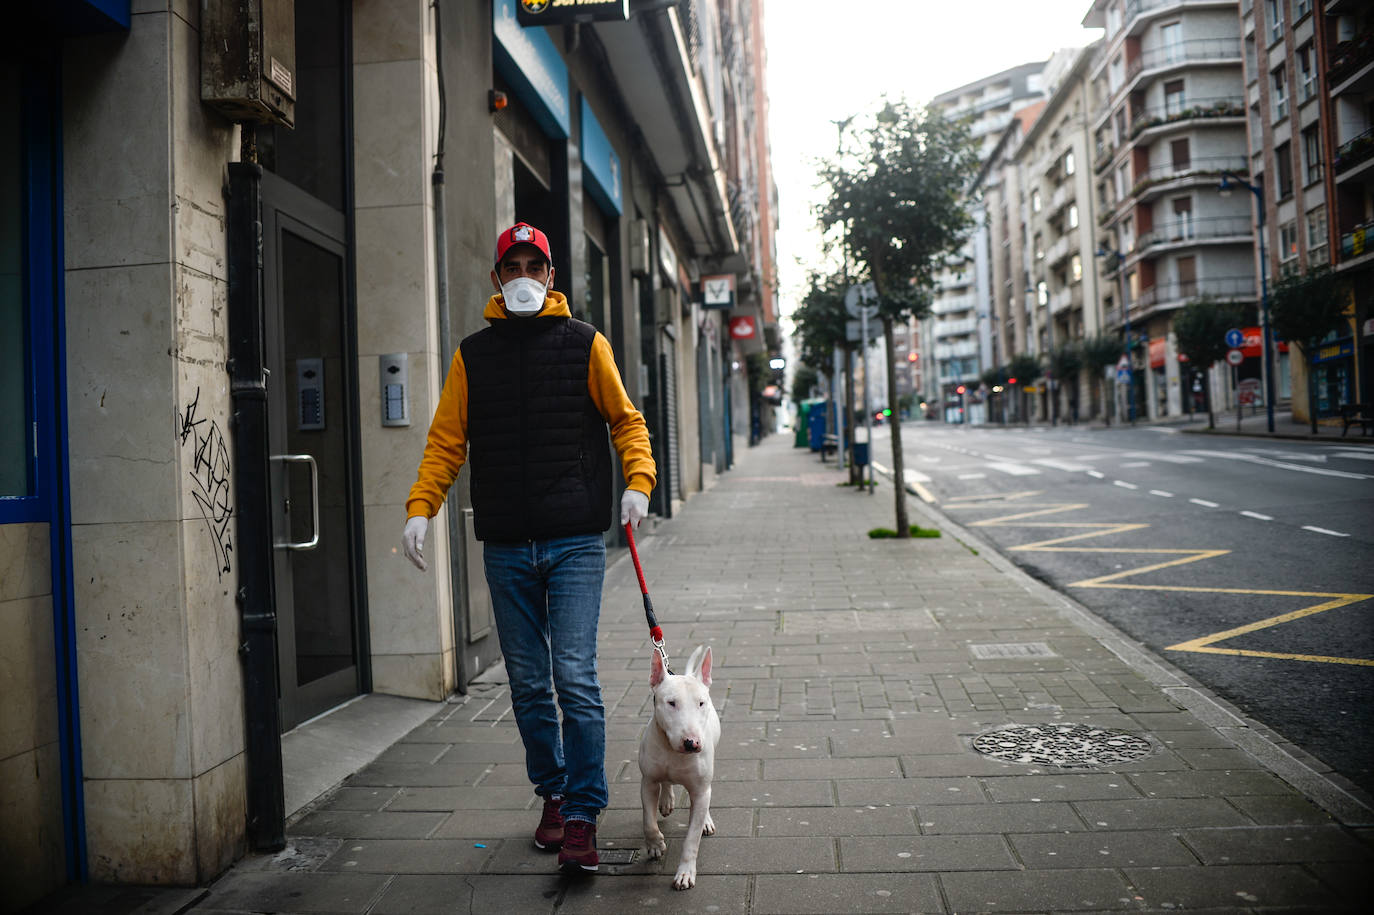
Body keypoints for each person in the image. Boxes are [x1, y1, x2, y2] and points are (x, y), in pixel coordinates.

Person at [401, 222, 656, 874]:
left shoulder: (585, 344)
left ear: (549, 277)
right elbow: (445, 442)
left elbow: (627, 418)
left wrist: (639, 481)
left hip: (573, 541)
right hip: (508, 546)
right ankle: (554, 788)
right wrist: (420, 508)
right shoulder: (471, 356)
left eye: (532, 265)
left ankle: (581, 816)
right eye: (510, 265)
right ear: (497, 279)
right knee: (528, 686)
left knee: (573, 676)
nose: (521, 275)